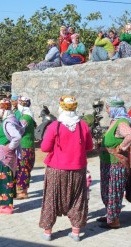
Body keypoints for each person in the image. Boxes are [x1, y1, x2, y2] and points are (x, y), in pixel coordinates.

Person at [39, 96, 93, 242]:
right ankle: (75, 233)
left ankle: (47, 232)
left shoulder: (54, 126)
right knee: (77, 200)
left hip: (56, 169)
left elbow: (44, 148)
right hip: (78, 168)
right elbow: (89, 147)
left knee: (51, 199)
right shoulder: (83, 125)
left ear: (61, 107)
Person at [98, 96, 131, 229]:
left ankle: (114, 220)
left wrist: (121, 147)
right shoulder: (115, 121)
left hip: (116, 163)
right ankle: (110, 215)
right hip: (108, 162)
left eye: (108, 108)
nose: (107, 111)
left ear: (114, 108)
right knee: (107, 190)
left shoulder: (121, 122)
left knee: (113, 190)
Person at [0, 98, 23, 214]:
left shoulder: (8, 122)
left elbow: (17, 137)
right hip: (2, 156)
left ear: (3, 108)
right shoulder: (8, 120)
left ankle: (6, 206)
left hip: (5, 156)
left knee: (5, 180)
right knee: (1, 180)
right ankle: (2, 204)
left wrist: (9, 147)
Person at [15, 97, 35, 200]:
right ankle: (20, 190)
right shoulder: (24, 115)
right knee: (21, 169)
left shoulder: (26, 117)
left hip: (25, 147)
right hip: (23, 146)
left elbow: (18, 129)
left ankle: (22, 192)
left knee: (23, 169)